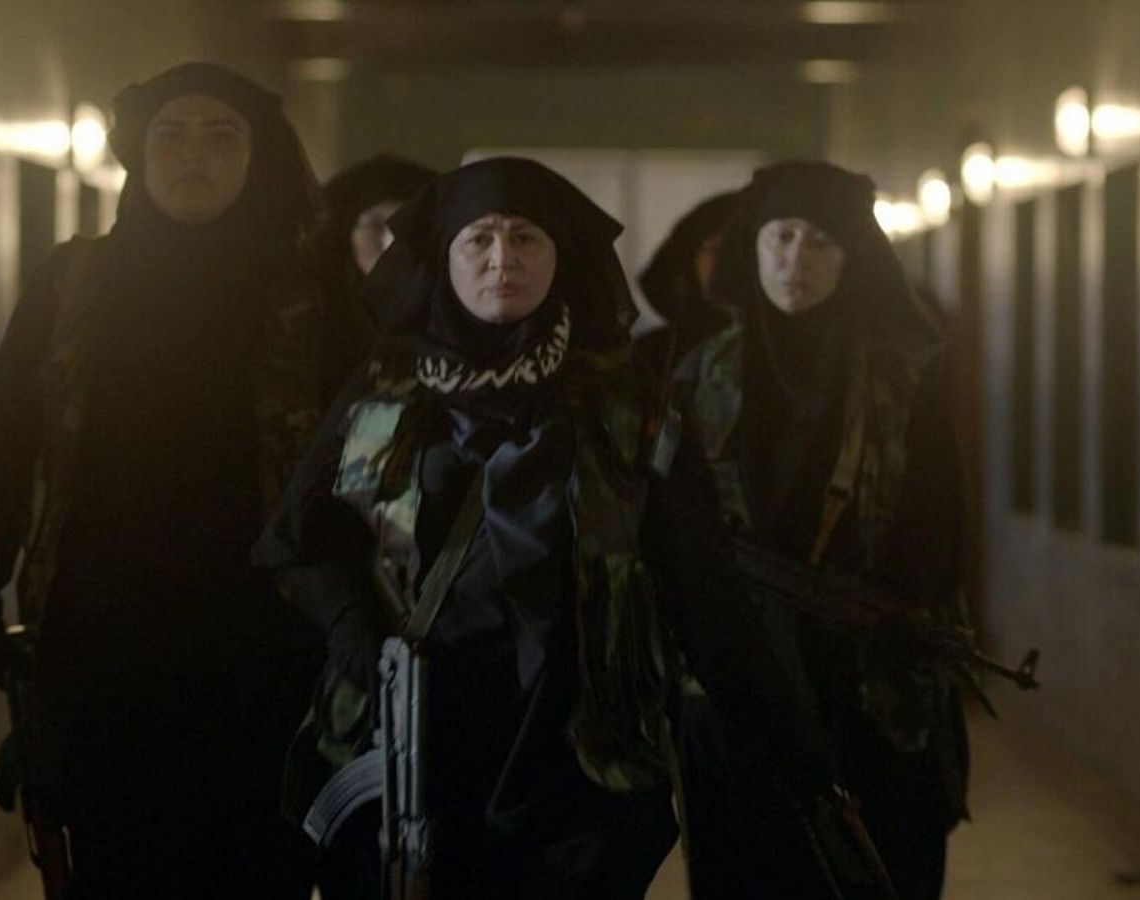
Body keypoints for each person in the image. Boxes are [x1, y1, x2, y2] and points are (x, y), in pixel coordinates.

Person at [256, 157, 874, 899]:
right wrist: (354, 632)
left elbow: (704, 590)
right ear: (445, 255)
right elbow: (299, 539)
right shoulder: (384, 392)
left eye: (526, 238)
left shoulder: (627, 403)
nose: (502, 259)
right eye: (479, 239)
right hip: (413, 729)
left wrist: (795, 750)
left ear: (561, 257)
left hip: (574, 750)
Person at [0, 62, 325, 898]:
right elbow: (8, 442)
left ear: (256, 157)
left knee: (257, 864)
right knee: (121, 860)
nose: (193, 157)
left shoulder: (309, 293)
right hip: (102, 640)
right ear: (138, 154)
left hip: (265, 647)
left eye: (221, 139)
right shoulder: (72, 283)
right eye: (170, 137)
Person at [670, 160, 971, 899]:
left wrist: (893, 612)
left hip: (869, 696)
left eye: (820, 242)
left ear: (852, 259)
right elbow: (674, 542)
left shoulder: (904, 382)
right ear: (752, 246)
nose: (796, 259)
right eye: (780, 236)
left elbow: (939, 528)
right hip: (739, 702)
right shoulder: (701, 377)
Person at [317, 154, 437, 394]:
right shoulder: (314, 318)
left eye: (407, 225)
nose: (392, 244)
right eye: (375, 227)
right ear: (345, 236)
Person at [633, 190, 738, 377]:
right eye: (717, 249)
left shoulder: (777, 351)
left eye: (741, 250)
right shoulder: (654, 356)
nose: (731, 262)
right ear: (690, 260)